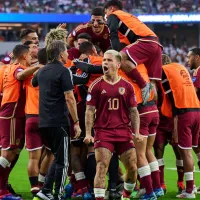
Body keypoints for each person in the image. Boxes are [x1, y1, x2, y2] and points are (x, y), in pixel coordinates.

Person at [84, 49, 143, 200]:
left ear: (118, 64)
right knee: (101, 166)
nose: (105, 63)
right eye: (104, 60)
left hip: (124, 132)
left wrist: (136, 132)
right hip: (103, 132)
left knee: (132, 167)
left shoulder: (127, 86)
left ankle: (126, 196)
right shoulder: (96, 86)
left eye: (109, 60)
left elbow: (134, 111)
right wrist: (88, 134)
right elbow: (89, 111)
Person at [32, 40, 81, 200]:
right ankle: (57, 194)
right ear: (61, 54)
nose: (68, 54)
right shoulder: (64, 71)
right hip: (59, 121)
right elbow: (69, 97)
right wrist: (76, 121)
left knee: (58, 157)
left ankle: (45, 190)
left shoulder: (42, 71)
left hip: (44, 122)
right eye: (66, 52)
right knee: (64, 162)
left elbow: (34, 82)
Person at [0, 44, 40, 200]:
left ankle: (3, 189)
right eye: (30, 56)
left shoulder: (11, 67)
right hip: (12, 113)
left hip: (15, 114)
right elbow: (20, 76)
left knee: (14, 151)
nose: (32, 58)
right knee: (8, 152)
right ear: (24, 56)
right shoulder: (16, 68)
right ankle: (1, 192)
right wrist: (40, 66)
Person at [118, 65, 164, 199]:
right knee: (149, 150)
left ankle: (149, 193)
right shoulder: (143, 67)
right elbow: (154, 93)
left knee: (139, 154)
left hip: (141, 112)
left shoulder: (122, 70)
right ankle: (157, 188)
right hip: (153, 109)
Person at [104, 0, 162, 104]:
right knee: (152, 81)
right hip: (156, 44)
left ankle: (143, 86)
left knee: (119, 60)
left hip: (145, 41)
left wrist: (116, 54)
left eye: (106, 12)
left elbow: (113, 34)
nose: (106, 15)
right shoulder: (128, 16)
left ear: (111, 9)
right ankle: (153, 108)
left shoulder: (113, 15)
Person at [161, 54, 200, 199]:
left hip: (185, 113)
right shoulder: (180, 68)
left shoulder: (164, 70)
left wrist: (175, 127)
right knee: (193, 151)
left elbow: (172, 100)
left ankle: (189, 190)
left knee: (186, 153)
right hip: (196, 110)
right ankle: (193, 187)